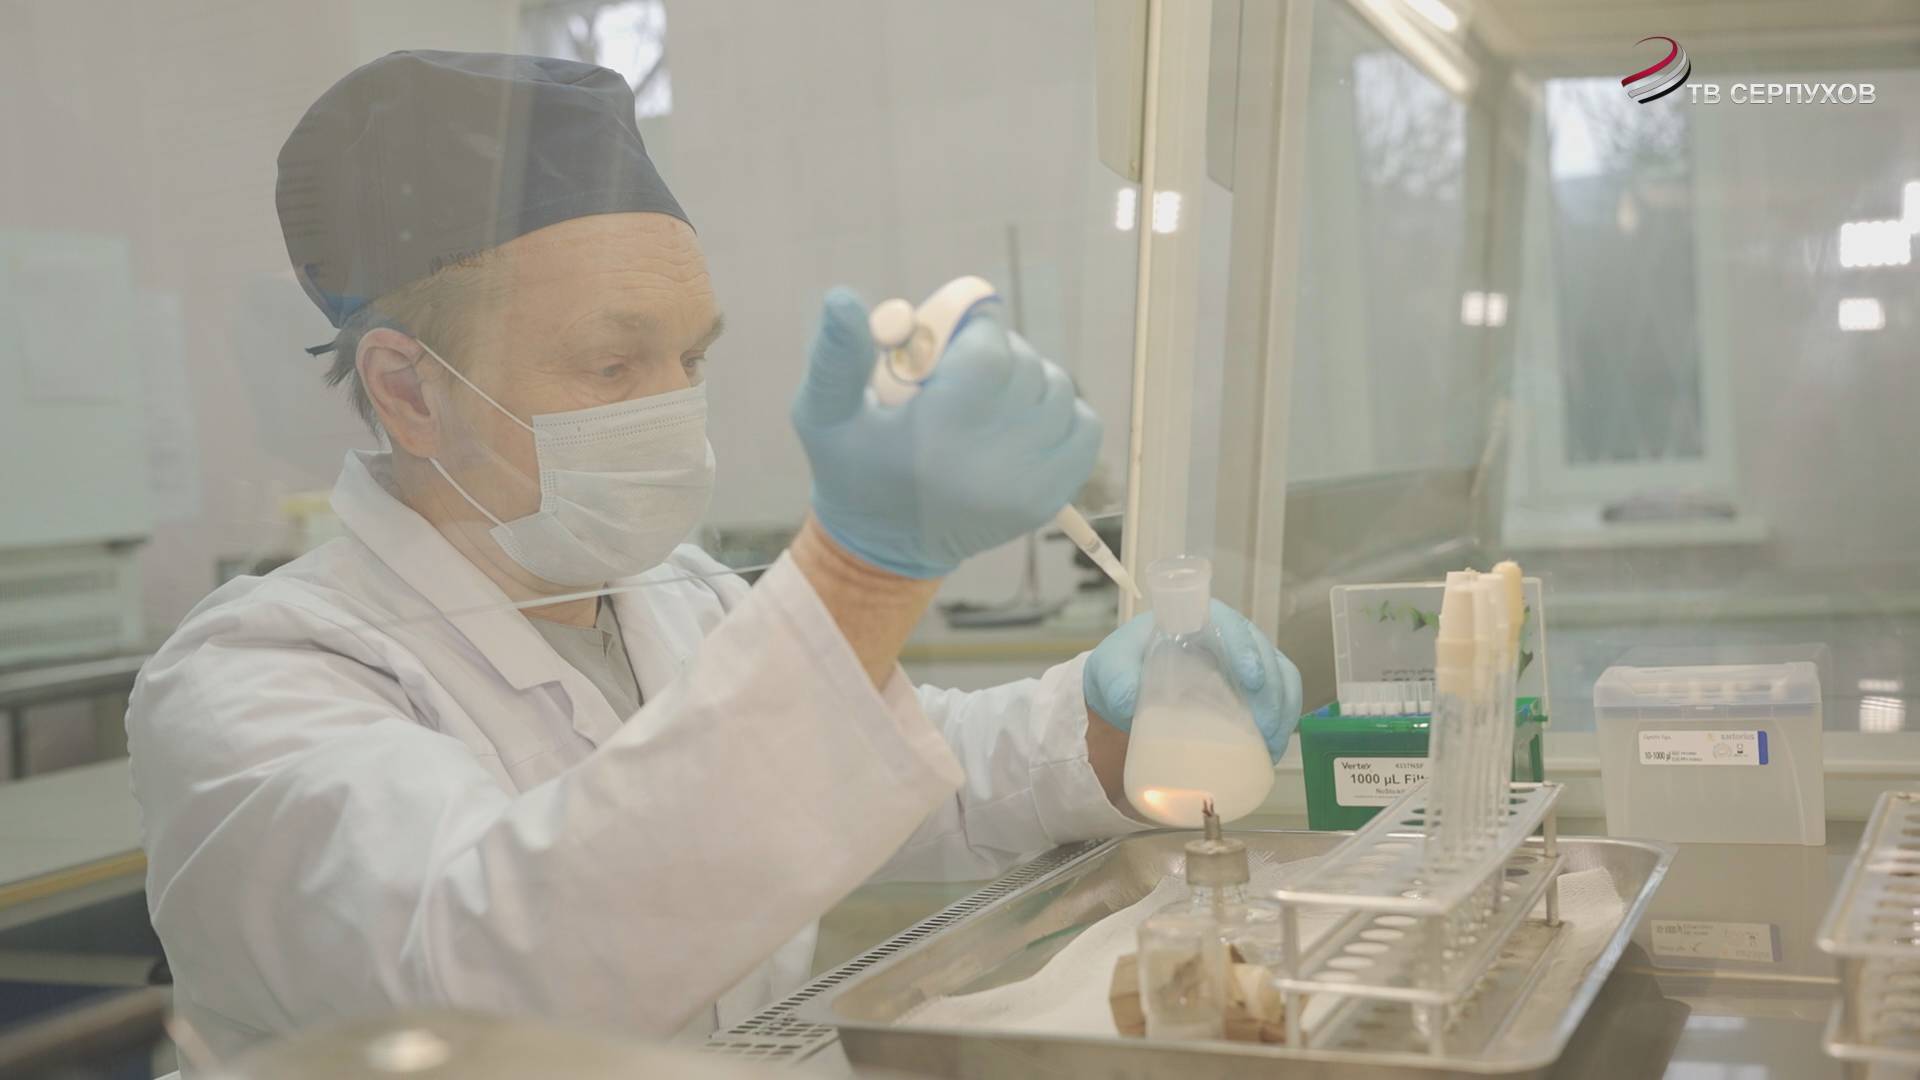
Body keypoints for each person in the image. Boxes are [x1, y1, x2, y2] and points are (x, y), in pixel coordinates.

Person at [126, 51, 1302, 1062]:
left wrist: (1106, 732)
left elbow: (893, 774)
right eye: (613, 364)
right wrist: (861, 575)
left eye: (689, 358)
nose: (674, 408)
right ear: (409, 390)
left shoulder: (668, 594)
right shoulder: (254, 681)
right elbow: (487, 983)